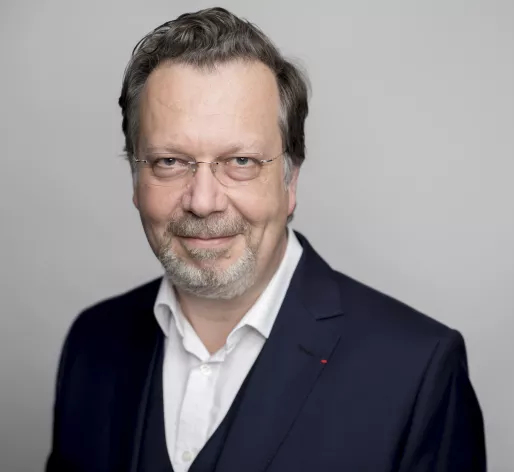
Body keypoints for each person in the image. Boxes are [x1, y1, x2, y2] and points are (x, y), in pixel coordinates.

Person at [46, 7, 486, 472]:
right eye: (169, 162)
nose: (203, 202)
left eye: (241, 161)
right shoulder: (92, 343)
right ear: (136, 178)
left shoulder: (416, 370)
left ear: (290, 180)